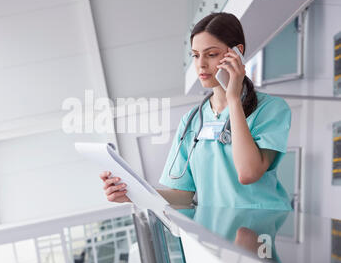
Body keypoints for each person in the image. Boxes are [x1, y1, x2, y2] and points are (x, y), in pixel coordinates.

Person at [100, 12, 292, 211]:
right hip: (214, 233)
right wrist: (130, 193)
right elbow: (182, 196)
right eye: (196, 55)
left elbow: (248, 173)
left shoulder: (271, 109)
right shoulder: (191, 121)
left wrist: (233, 99)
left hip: (257, 231)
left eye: (211, 54)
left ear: (237, 52)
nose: (201, 64)